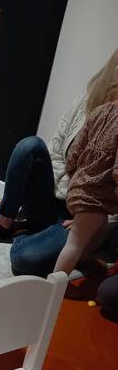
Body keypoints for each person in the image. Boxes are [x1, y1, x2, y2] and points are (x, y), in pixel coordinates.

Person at [0, 48, 118, 277]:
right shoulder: (88, 103)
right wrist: (75, 189)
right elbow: (59, 152)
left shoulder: (102, 114)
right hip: (64, 197)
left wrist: (85, 209)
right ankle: (8, 221)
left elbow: (78, 156)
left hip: (85, 213)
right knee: (29, 146)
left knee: (25, 258)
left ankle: (29, 234)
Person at [53, 99, 118, 275]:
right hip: (96, 196)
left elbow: (75, 152)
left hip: (78, 186)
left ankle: (84, 260)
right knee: (74, 244)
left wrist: (74, 175)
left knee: (100, 229)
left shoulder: (99, 110)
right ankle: (54, 282)